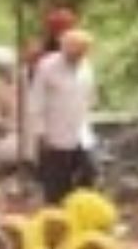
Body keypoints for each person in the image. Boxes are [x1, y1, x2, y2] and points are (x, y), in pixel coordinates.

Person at [28, 28, 98, 202]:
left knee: (89, 173)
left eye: (82, 52)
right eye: (75, 51)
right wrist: (40, 132)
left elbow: (89, 96)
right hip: (55, 135)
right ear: (64, 48)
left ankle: (83, 212)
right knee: (57, 185)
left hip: (81, 132)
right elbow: (36, 101)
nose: (78, 56)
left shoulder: (86, 66)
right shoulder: (47, 67)